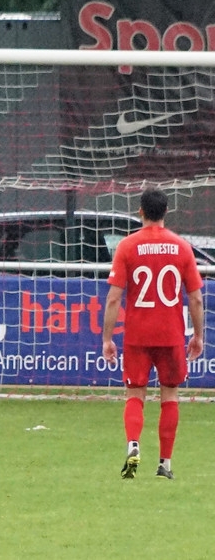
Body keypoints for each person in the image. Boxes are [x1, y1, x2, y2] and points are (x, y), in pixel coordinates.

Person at [103, 189, 204, 480]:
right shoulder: (181, 247)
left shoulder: (127, 246)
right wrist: (198, 336)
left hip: (138, 334)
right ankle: (165, 464)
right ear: (166, 212)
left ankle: (133, 445)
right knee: (169, 395)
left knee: (135, 393)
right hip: (171, 334)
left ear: (140, 211)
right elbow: (195, 299)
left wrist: (107, 339)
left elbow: (114, 298)